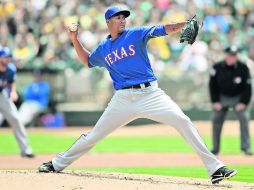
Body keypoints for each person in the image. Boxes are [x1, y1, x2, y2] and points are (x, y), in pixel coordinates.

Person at [39, 6, 237, 184]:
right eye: (118, 17)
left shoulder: (136, 34)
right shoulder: (104, 48)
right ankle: (56, 164)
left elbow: (163, 29)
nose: (123, 20)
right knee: (94, 136)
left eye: (124, 17)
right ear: (108, 22)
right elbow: (88, 61)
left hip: (150, 94)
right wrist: (74, 39)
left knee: (182, 121)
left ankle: (215, 169)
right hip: (122, 99)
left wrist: (184, 24)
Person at [209, 45, 252, 156]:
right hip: (222, 97)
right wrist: (215, 101)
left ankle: (246, 148)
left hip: (238, 97)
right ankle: (216, 148)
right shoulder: (217, 67)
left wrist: (243, 102)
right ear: (225, 55)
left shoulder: (243, 67)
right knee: (216, 120)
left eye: (233, 55)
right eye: (229, 55)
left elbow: (248, 87)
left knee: (244, 118)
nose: (231, 58)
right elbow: (212, 85)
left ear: (236, 56)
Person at [0, 48, 35, 158]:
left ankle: (25, 149)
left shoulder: (10, 69)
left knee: (16, 118)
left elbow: (12, 81)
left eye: (9, 57)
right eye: (5, 56)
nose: (7, 59)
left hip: (2, 96)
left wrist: (13, 92)